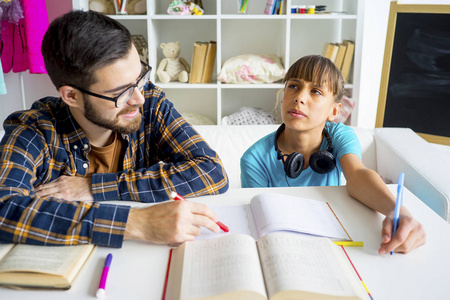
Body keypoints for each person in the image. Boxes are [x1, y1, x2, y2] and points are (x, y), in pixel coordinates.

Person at [0, 10, 229, 248]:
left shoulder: (150, 103)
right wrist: (137, 222)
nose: (138, 98)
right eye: (120, 93)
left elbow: (211, 171)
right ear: (71, 96)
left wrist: (93, 186)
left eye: (139, 78)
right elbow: (3, 207)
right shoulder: (33, 130)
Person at [240, 55, 425, 255]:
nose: (299, 98)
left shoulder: (339, 135)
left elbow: (357, 174)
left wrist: (398, 212)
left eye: (316, 91)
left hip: (334, 239)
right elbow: (259, 219)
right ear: (283, 95)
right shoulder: (254, 159)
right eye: (293, 86)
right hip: (284, 245)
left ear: (334, 110)